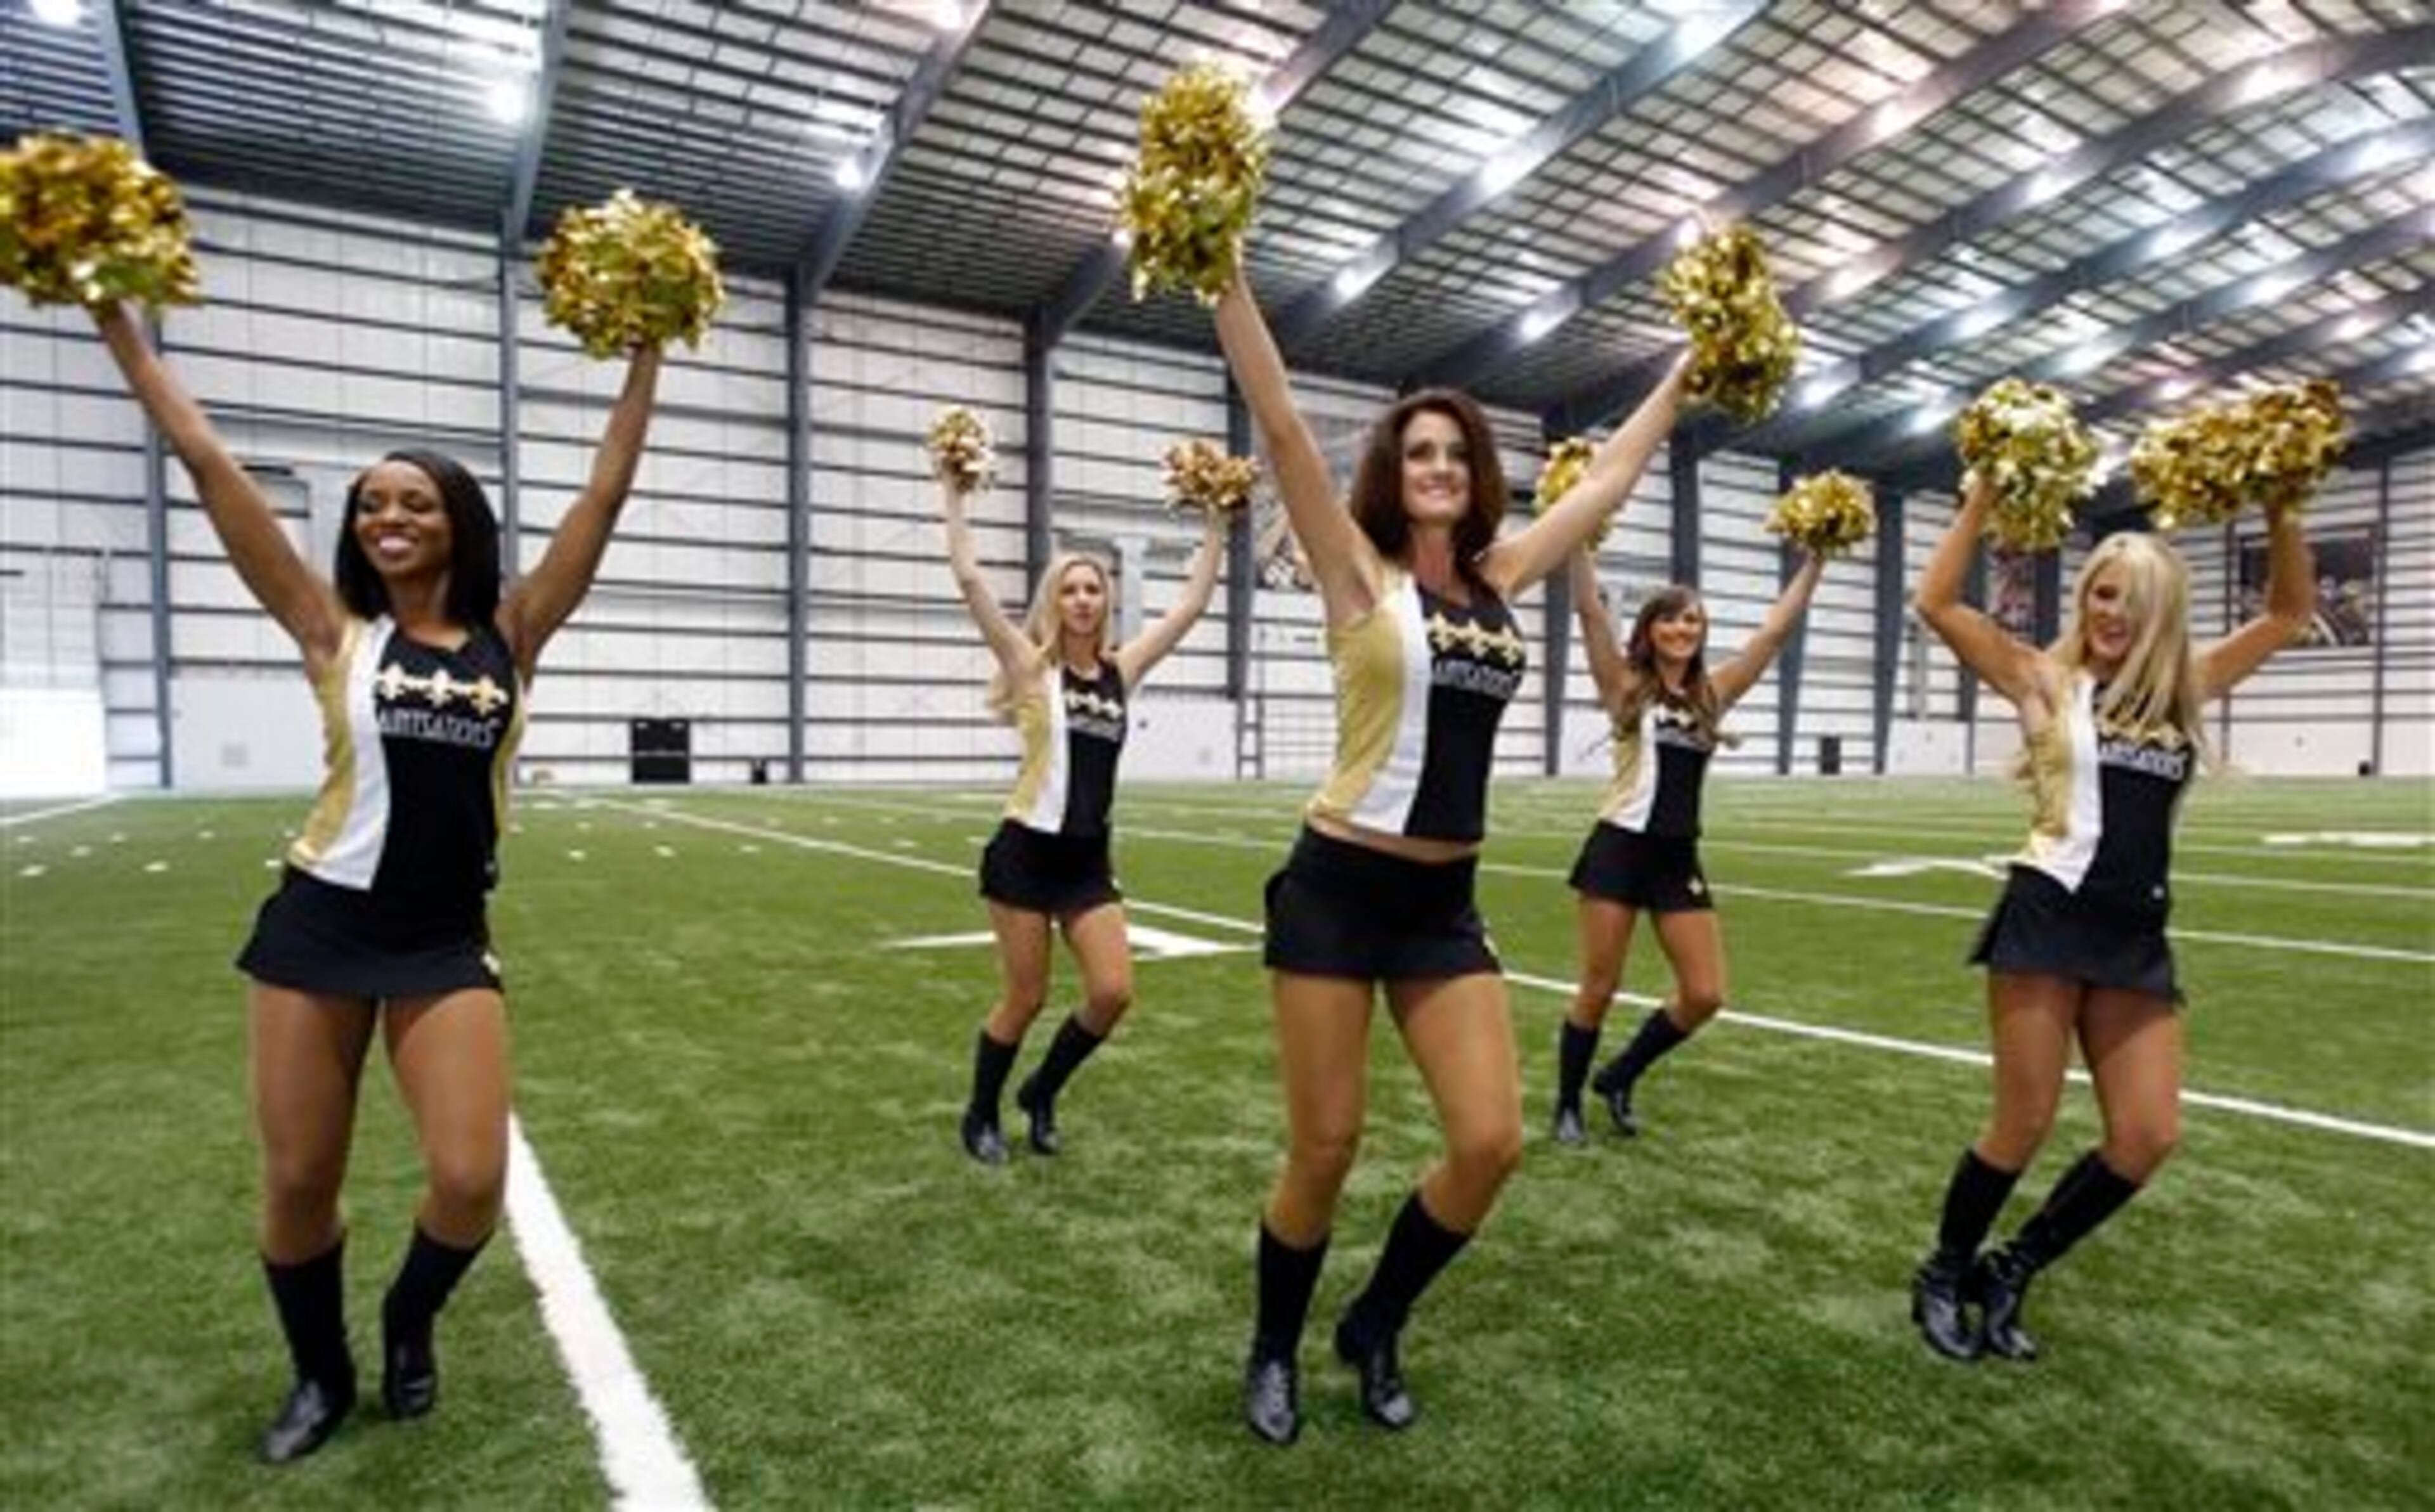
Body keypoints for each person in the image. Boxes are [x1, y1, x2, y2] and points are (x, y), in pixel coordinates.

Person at [84, 299, 663, 1461]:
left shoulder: (516, 627)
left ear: (459, 522)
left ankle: (408, 1318)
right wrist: (114, 321)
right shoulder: (330, 625)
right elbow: (206, 466)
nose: (387, 515)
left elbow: (602, 495)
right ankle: (319, 1373)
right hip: (316, 929)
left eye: (414, 500)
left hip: (444, 937)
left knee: (468, 1175)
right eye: (371, 504)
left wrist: (647, 348)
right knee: (301, 1178)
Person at [1214, 265, 1690, 1443]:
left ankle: (1374, 1320)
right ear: (1394, 470)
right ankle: (1274, 1345)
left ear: (1479, 479)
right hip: (1335, 890)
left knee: (1490, 1142)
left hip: (1443, 904)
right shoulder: (1353, 570)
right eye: (1420, 452)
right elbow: (1279, 423)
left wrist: (1692, 365)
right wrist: (1220, 272)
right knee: (1326, 1146)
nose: (1438, 469)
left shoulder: (1506, 575)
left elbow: (1618, 473)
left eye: (1458, 456)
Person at [1908, 470, 2313, 1363]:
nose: (2111, 612)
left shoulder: (2185, 687)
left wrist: (2281, 503)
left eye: (2132, 598)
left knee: (2147, 1134)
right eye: (2100, 591)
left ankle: (2013, 1267)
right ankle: (1943, 1271)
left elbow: (2289, 611)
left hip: (2134, 934)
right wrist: (1975, 499)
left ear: (2161, 609)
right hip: (2048, 914)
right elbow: (1938, 602)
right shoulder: (2046, 680)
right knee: (2023, 1122)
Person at [942, 471, 1231, 1163]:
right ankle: (980, 1116)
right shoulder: (1028, 667)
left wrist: (1217, 518)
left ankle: (1041, 1090)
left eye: (1092, 589)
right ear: (1055, 600)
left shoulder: (1119, 672)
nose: (1081, 599)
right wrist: (953, 491)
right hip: (1024, 853)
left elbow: (1191, 606)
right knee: (1027, 997)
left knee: (1112, 992)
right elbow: (970, 578)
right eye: (1069, 589)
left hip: (1086, 861)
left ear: (1106, 602)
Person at [1551, 547, 1826, 1145]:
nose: (1683, 628)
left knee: (1705, 993)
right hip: (1618, 850)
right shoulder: (1626, 689)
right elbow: (1590, 611)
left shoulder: (1712, 694)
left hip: (1677, 857)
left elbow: (1774, 632)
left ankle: (1620, 1074)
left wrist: (1819, 556)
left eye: (1694, 620)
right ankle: (1567, 1103)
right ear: (1650, 629)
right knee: (1599, 986)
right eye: (1671, 618)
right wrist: (1578, 540)